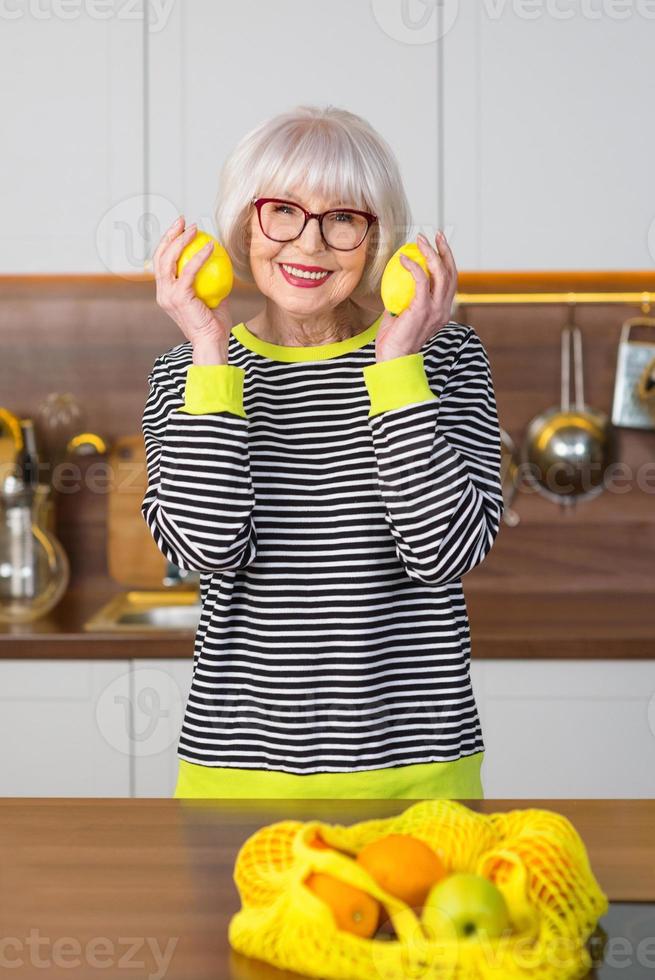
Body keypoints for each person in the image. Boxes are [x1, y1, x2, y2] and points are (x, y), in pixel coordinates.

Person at [141, 104, 504, 800]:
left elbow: (443, 552)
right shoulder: (186, 373)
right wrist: (211, 352)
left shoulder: (447, 358)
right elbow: (204, 551)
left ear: (376, 240)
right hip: (236, 778)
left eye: (342, 218)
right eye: (282, 211)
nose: (308, 246)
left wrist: (396, 363)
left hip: (418, 778)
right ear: (244, 225)